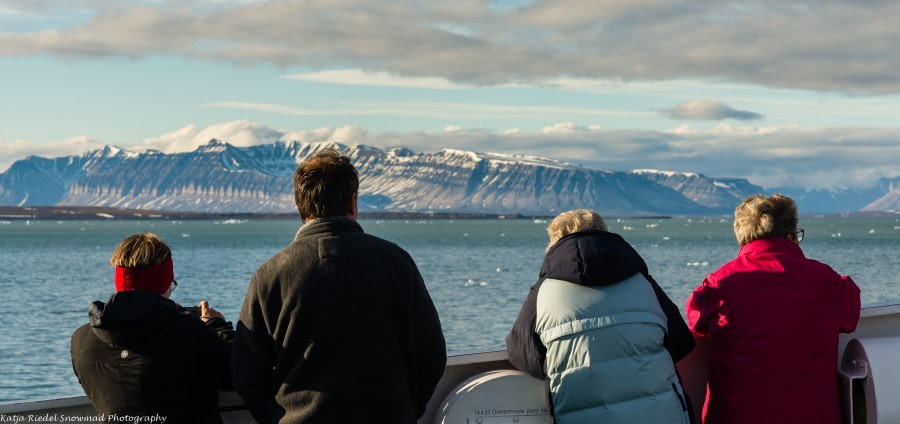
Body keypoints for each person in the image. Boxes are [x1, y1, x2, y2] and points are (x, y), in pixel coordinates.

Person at [231, 148, 447, 423]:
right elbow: (432, 355)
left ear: (300, 206)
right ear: (353, 203)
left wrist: (277, 417)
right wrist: (406, 409)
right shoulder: (397, 263)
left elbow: (247, 371)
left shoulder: (271, 275)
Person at [507, 209, 695, 424]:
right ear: (604, 234)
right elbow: (681, 341)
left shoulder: (543, 292)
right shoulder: (642, 282)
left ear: (554, 241)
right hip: (662, 413)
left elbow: (522, 352)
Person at [686, 194, 861, 424]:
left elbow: (695, 324)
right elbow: (850, 313)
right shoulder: (826, 282)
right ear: (791, 235)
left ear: (741, 236)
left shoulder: (718, 285)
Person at [71, 232, 234, 423]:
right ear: (163, 282)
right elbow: (237, 372)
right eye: (171, 284)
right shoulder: (188, 333)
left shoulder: (81, 340)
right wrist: (218, 327)